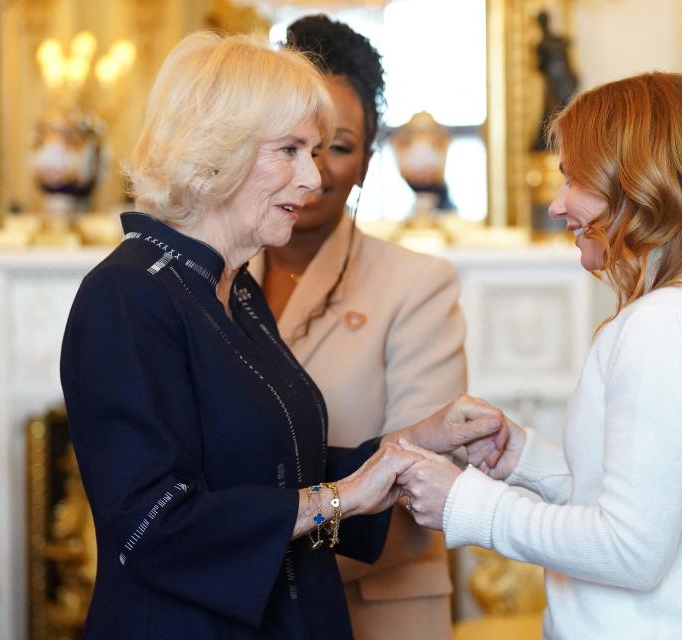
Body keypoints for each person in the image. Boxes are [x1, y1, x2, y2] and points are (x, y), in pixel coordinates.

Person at [59, 32, 503, 639]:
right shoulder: (130, 293)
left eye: (318, 151)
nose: (315, 177)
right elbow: (151, 523)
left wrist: (413, 440)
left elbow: (281, 468)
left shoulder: (234, 290)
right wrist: (340, 498)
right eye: (290, 150)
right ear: (217, 152)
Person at [398, 72, 682, 639]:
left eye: (573, 181)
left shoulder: (665, 326)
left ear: (638, 186)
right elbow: (650, 502)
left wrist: (469, 505)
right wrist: (522, 458)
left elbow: (630, 550)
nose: (557, 206)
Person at [252, 16, 463, 640]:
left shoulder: (418, 286)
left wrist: (241, 558)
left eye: (337, 146)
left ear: (368, 161)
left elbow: (415, 497)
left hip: (373, 609)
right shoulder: (215, 279)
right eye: (292, 145)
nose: (311, 172)